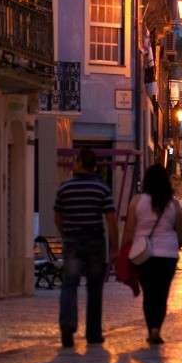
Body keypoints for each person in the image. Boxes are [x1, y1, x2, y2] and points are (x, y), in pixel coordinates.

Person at [54, 148, 118, 348]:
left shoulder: (64, 188)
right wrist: (114, 248)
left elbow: (57, 217)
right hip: (95, 242)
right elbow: (111, 220)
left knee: (69, 284)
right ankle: (93, 333)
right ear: (95, 166)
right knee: (94, 287)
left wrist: (66, 233)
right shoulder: (102, 189)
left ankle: (67, 327)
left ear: (80, 162)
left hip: (72, 241)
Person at [122, 164, 182, 345]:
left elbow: (129, 231)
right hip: (168, 255)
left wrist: (124, 251)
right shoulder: (172, 204)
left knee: (149, 294)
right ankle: (156, 329)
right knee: (162, 294)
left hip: (144, 255)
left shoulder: (136, 201)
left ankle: (151, 328)